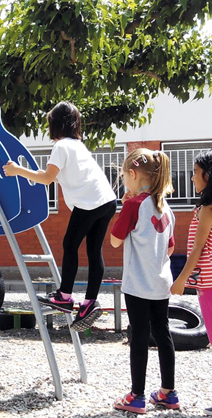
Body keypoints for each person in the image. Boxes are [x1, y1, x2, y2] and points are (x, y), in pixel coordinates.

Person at [2, 101, 117, 330]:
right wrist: (28, 173)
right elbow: (52, 176)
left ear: (55, 124)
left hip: (90, 202)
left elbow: (45, 179)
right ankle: (89, 303)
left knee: (70, 244)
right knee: (94, 251)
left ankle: (64, 297)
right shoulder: (77, 146)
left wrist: (16, 170)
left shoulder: (61, 147)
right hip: (107, 201)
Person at [111, 148, 179, 413]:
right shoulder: (167, 208)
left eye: (124, 177)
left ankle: (137, 396)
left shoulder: (132, 205)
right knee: (163, 333)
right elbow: (170, 248)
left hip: (138, 283)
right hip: (161, 283)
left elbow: (115, 241)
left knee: (139, 336)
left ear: (133, 173)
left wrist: (124, 208)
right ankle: (168, 393)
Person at [170, 149, 212, 415]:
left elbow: (197, 250)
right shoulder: (203, 207)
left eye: (195, 173)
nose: (193, 178)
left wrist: (181, 280)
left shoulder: (208, 209)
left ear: (208, 176)